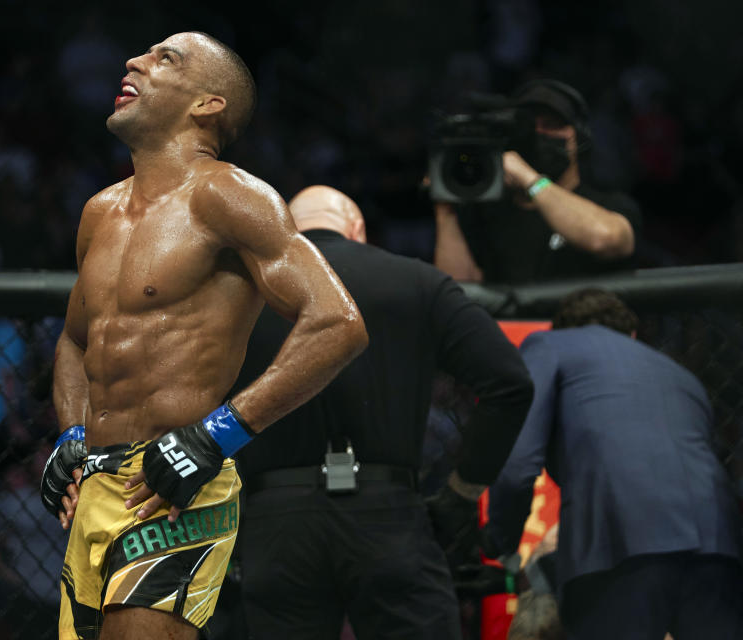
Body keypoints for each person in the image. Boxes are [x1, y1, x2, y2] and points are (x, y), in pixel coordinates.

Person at [40, 33, 368, 640]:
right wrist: (72, 433)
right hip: (97, 486)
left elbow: (338, 322)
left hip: (176, 487)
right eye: (141, 53)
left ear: (208, 105)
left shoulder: (228, 195)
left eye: (166, 58)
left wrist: (218, 435)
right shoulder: (98, 212)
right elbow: (75, 342)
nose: (134, 61)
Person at [230, 185, 534, 639]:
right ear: (358, 231)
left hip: (274, 522)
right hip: (387, 514)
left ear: (286, 232)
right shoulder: (415, 281)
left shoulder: (241, 295)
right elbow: (509, 382)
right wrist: (461, 492)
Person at [484, 288, 743, 639]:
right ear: (632, 335)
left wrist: (502, 549)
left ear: (561, 329)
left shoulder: (547, 346)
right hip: (719, 540)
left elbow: (516, 466)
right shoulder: (683, 376)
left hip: (619, 538)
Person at [433, 79, 642, 284]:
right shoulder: (489, 212)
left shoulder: (609, 203)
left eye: (552, 125)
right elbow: (459, 289)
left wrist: (530, 179)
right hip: (509, 320)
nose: (539, 133)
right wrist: (445, 207)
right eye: (529, 126)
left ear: (578, 136)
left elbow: (606, 239)